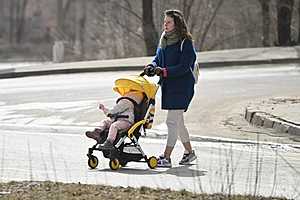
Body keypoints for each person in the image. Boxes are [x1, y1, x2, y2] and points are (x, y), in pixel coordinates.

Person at [144, 9, 197, 167]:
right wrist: (152, 66)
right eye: (164, 22)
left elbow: (184, 66)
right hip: (169, 86)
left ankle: (166, 157)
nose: (165, 25)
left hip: (182, 87)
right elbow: (158, 58)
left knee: (171, 122)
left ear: (177, 24)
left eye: (168, 22)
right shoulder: (164, 39)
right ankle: (189, 153)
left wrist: (164, 71)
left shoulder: (185, 42)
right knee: (178, 122)